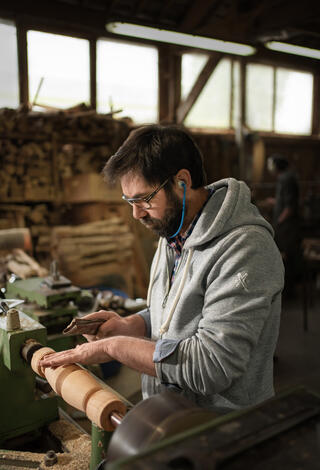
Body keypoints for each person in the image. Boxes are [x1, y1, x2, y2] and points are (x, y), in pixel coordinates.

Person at [41, 125, 284, 414]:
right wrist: (135, 324)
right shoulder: (173, 231)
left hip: (223, 429)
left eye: (144, 199)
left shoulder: (245, 248)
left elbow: (212, 366)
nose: (136, 213)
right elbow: (182, 307)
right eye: (129, 201)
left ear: (181, 181)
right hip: (170, 415)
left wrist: (114, 348)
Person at [267, 154, 301, 296]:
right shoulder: (286, 177)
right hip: (286, 226)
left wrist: (279, 222)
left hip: (286, 228)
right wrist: (274, 202)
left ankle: (288, 291)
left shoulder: (286, 179)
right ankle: (288, 289)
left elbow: (290, 206)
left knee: (285, 257)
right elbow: (286, 201)